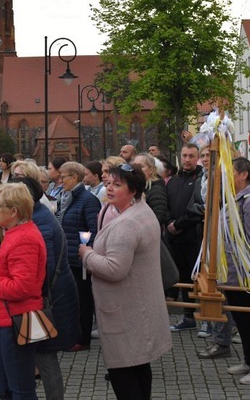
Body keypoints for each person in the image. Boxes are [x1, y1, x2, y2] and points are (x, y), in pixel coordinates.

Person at [79, 164, 172, 400]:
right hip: (137, 308)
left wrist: (87, 255)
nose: (109, 188)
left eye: (117, 185)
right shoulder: (141, 210)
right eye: (108, 183)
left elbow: (115, 269)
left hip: (125, 312)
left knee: (124, 373)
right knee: (139, 366)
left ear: (133, 190)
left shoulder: (126, 224)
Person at [198, 158, 250, 388]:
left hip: (247, 278)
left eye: (227, 173)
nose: (222, 179)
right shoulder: (234, 200)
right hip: (233, 275)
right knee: (242, 322)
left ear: (242, 174)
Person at [0, 183, 46, 400]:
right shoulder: (15, 234)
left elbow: (22, 287)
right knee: (3, 383)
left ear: (13, 211)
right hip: (8, 318)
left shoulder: (23, 239)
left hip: (17, 320)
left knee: (19, 388)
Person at [11, 176, 80, 400]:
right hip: (52, 298)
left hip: (48, 301)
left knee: (46, 358)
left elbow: (41, 273)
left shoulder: (38, 223)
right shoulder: (38, 215)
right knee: (43, 357)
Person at [56, 161, 100, 351]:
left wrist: (87, 253)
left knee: (83, 299)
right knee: (72, 299)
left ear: (74, 177)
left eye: (63, 176)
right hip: (69, 258)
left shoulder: (88, 200)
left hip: (81, 260)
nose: (60, 180)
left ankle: (83, 339)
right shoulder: (67, 197)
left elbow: (95, 230)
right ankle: (73, 335)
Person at [167, 143, 203, 331]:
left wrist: (179, 224)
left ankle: (204, 317)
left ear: (197, 158)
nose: (187, 159)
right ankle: (188, 317)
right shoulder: (173, 180)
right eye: (184, 155)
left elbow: (199, 207)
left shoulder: (200, 179)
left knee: (199, 278)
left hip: (193, 236)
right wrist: (169, 223)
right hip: (174, 237)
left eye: (191, 156)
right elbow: (165, 204)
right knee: (182, 278)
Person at [132, 153, 169, 230]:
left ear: (151, 170)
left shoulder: (155, 190)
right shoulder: (137, 188)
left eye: (141, 166)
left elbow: (159, 217)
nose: (136, 169)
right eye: (134, 166)